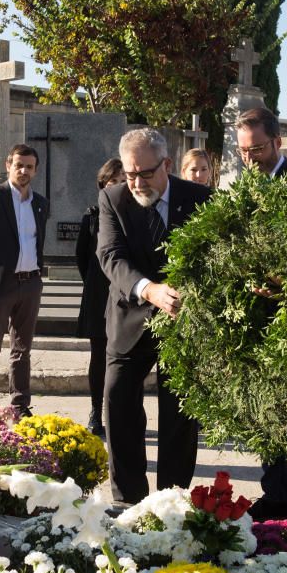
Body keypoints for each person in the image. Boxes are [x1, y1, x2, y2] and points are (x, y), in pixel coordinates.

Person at [97, 128, 211, 503]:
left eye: (144, 173)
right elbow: (111, 256)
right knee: (117, 402)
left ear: (166, 165)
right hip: (130, 317)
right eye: (130, 174)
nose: (136, 182)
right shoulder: (113, 199)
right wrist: (149, 289)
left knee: (180, 416)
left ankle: (172, 500)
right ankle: (128, 500)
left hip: (183, 322)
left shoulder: (200, 199)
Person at [235, 106, 287, 525]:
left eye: (258, 148)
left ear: (278, 141)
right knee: (266, 414)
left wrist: (283, 284)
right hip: (255, 323)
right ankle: (274, 498)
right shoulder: (240, 190)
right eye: (243, 150)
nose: (250, 157)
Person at [0, 144, 50, 418]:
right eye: (19, 165)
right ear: (8, 165)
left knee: (22, 349)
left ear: (35, 170)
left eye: (29, 166)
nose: (23, 171)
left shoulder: (40, 203)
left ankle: (20, 405)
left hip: (30, 284)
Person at [75, 158, 125, 437]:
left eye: (121, 181)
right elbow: (82, 256)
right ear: (103, 185)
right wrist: (96, 283)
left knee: (126, 358)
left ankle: (121, 411)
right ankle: (96, 411)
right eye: (111, 182)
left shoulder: (138, 212)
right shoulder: (92, 215)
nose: (117, 186)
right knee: (99, 355)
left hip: (127, 294)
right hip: (98, 293)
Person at [236, 107, 287, 179]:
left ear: (277, 143)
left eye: (256, 149)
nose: (249, 158)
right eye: (243, 150)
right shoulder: (246, 183)